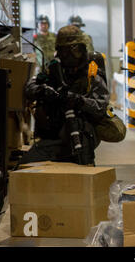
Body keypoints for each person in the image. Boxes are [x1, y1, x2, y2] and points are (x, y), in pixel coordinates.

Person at [22, 25, 125, 166]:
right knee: (29, 164)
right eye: (64, 51)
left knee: (83, 154)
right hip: (54, 129)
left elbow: (101, 105)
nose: (69, 56)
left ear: (82, 49)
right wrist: (42, 91)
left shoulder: (91, 71)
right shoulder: (53, 68)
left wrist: (79, 101)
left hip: (82, 129)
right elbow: (30, 87)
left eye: (74, 50)